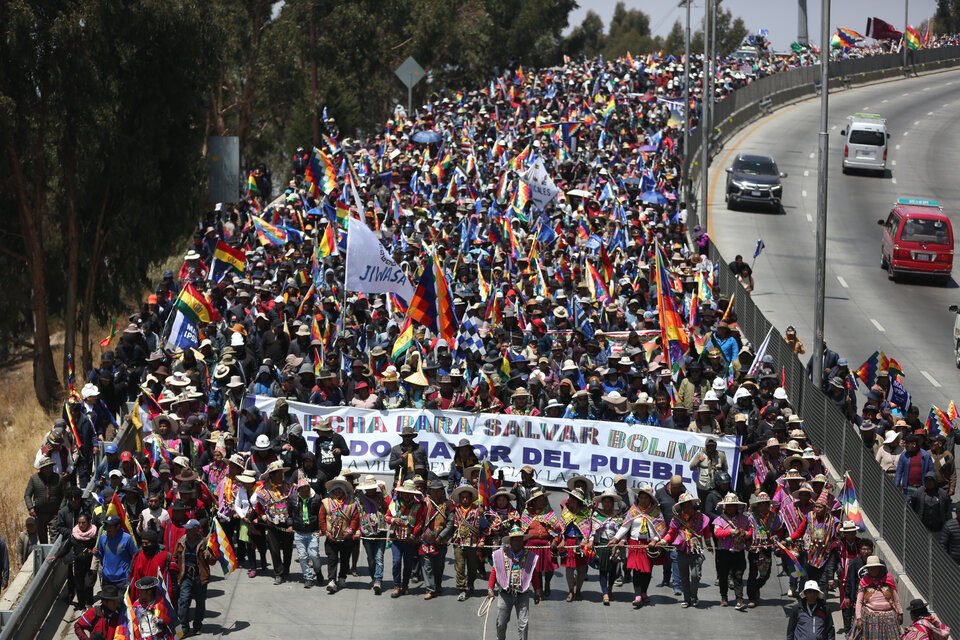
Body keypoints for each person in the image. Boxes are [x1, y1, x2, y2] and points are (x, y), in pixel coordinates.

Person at [488, 526, 541, 640]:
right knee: (501, 623)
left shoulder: (529, 556)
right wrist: (490, 589)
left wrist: (537, 591)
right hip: (505, 594)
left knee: (524, 624)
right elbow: (494, 571)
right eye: (515, 539)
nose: (518, 542)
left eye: (520, 539)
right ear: (510, 541)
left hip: (522, 594)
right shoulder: (501, 554)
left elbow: (534, 574)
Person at [660, 492, 709, 608]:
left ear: (692, 505)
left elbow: (706, 531)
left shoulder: (701, 518)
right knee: (684, 577)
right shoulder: (677, 519)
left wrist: (708, 543)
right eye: (684, 505)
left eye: (688, 505)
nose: (687, 507)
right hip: (681, 551)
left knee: (695, 575)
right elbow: (671, 533)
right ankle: (687, 599)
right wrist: (663, 541)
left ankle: (694, 596)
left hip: (696, 551)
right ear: (681, 507)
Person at [252, 459, 294, 584]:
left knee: (288, 549)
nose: (281, 475)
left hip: (287, 523)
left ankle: (286, 569)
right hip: (271, 524)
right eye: (277, 473)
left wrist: (292, 522)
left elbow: (294, 505)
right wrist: (264, 518)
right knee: (274, 549)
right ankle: (278, 573)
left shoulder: (290, 487)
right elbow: (257, 506)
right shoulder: (262, 490)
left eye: (281, 472)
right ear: (271, 475)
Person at [48, 511, 98, 610]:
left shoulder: (94, 535)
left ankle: (89, 603)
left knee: (88, 585)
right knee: (79, 587)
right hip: (78, 564)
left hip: (90, 565)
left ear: (88, 523)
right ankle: (81, 605)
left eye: (83, 523)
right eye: (79, 523)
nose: (81, 525)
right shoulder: (74, 535)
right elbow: (66, 548)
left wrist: (94, 551)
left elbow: (101, 547)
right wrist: (57, 556)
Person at [173, 519, 215, 637]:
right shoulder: (181, 541)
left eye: (190, 529)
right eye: (187, 528)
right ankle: (184, 628)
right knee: (184, 601)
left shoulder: (205, 542)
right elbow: (175, 557)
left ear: (196, 530)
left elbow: (213, 561)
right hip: (185, 576)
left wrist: (209, 556)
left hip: (200, 576)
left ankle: (197, 626)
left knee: (200, 603)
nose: (187, 531)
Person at [318, 475, 359, 593]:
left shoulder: (352, 503)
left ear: (344, 491)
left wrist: (350, 530)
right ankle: (331, 580)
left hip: (346, 538)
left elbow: (355, 519)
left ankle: (342, 578)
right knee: (332, 559)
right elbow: (321, 519)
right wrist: (326, 531)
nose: (338, 492)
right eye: (335, 490)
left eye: (340, 490)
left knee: (345, 559)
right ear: (332, 491)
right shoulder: (326, 502)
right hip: (331, 538)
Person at [712, 492, 752, 610]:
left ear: (737, 506)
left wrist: (745, 534)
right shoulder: (719, 520)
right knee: (723, 575)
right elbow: (717, 533)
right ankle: (724, 597)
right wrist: (731, 532)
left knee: (738, 575)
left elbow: (750, 531)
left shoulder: (744, 519)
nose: (731, 507)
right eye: (728, 505)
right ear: (724, 506)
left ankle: (739, 599)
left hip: (738, 551)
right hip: (724, 551)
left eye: (733, 505)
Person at [385, 479, 425, 598]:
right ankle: (397, 586)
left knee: (408, 564)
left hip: (409, 540)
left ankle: (405, 585)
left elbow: (420, 522)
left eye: (409, 493)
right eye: (405, 493)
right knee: (396, 562)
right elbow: (386, 516)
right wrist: (393, 520)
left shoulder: (419, 505)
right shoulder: (395, 504)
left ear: (413, 493)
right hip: (396, 539)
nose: (407, 495)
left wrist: (413, 535)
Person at [450, 484, 488, 601]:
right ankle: (462, 589)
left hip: (473, 544)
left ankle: (470, 583)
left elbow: (484, 528)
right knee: (460, 567)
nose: (465, 499)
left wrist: (481, 540)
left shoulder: (478, 510)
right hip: (459, 543)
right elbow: (451, 526)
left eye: (467, 497)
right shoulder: (455, 510)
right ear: (460, 498)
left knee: (472, 567)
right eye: (463, 497)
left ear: (471, 498)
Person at [855, 555, 902, 640]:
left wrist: (900, 613)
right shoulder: (864, 581)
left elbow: (896, 598)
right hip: (871, 617)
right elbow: (859, 601)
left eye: (875, 567)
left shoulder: (888, 579)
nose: (872, 570)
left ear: (879, 568)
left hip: (889, 617)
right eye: (870, 568)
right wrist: (858, 618)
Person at [420, 478, 452, 600]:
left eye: (439, 491)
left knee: (439, 566)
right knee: (427, 565)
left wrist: (441, 536)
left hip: (440, 541)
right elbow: (421, 519)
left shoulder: (448, 504)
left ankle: (437, 585)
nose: (436, 493)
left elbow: (450, 523)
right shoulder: (425, 503)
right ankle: (430, 589)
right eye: (434, 491)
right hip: (426, 540)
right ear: (430, 492)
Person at [355, 475, 388, 594]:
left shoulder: (381, 497)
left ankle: (378, 580)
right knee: (371, 559)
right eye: (368, 488)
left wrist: (384, 492)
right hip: (367, 531)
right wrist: (358, 529)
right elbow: (356, 514)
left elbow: (390, 507)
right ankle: (374, 577)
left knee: (379, 557)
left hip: (381, 531)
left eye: (373, 488)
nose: (371, 490)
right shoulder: (359, 498)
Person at [288, 476, 322, 588]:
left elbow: (321, 515)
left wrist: (321, 528)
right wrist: (290, 524)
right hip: (299, 532)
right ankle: (308, 578)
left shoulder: (316, 498)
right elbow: (289, 514)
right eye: (301, 489)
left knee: (314, 555)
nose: (304, 491)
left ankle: (317, 571)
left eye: (306, 489)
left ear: (309, 488)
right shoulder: (293, 498)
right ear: (298, 490)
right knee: (302, 556)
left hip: (313, 532)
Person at [23, 456, 64, 544]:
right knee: (42, 537)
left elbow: (64, 496)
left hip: (55, 513)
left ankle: (54, 555)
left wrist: (61, 509)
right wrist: (30, 508)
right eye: (46, 467)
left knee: (55, 536)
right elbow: (27, 495)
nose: (48, 469)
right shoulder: (34, 479)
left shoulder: (59, 478)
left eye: (50, 466)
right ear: (41, 469)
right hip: (39, 513)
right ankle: (44, 556)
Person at [96, 515, 137, 590]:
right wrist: (96, 553)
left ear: (118, 526)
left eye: (110, 526)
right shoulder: (103, 538)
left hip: (122, 580)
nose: (107, 529)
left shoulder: (127, 538)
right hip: (107, 579)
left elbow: (135, 557)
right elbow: (101, 556)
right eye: (107, 526)